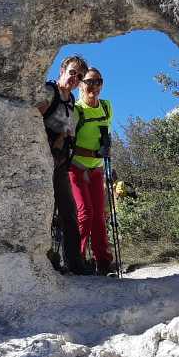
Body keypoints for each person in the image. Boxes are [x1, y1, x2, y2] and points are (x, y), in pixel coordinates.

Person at [36, 55, 89, 275]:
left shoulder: (71, 102)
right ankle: (48, 262)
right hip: (42, 160)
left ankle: (75, 263)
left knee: (68, 212)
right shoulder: (50, 92)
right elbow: (31, 120)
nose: (74, 78)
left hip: (61, 164)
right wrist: (54, 137)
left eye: (79, 76)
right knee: (45, 213)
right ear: (62, 70)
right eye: (72, 72)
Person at [69, 67, 115, 275]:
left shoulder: (106, 107)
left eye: (98, 82)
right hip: (76, 166)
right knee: (85, 213)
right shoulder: (76, 110)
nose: (93, 87)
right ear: (81, 84)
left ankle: (103, 262)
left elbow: (105, 135)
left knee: (99, 215)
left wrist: (106, 147)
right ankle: (76, 261)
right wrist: (95, 153)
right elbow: (69, 145)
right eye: (89, 82)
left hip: (96, 169)